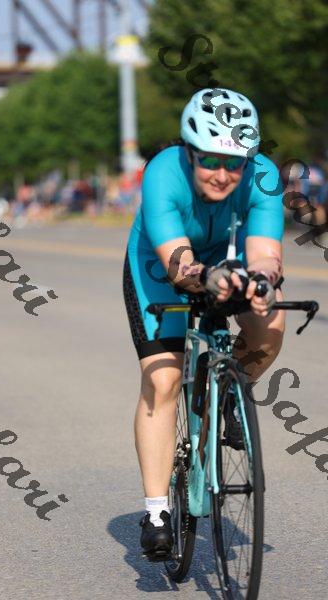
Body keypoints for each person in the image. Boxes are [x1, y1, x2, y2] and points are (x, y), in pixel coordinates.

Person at [122, 88, 285, 561]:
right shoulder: (163, 172)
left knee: (269, 325)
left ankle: (227, 392)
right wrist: (205, 277)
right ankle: (157, 512)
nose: (222, 174)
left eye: (235, 163)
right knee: (164, 379)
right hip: (162, 269)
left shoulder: (263, 176)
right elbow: (178, 263)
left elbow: (265, 254)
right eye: (210, 160)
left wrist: (261, 280)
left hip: (230, 261)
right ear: (190, 152)